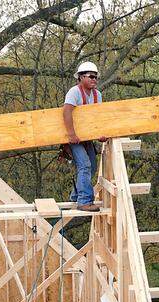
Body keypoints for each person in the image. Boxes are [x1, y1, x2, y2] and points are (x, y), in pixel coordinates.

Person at [63, 61, 108, 213]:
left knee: (92, 166)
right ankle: (84, 201)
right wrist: (71, 134)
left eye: (96, 77)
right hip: (73, 137)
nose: (94, 79)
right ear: (81, 77)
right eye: (91, 76)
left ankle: (76, 195)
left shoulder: (97, 95)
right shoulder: (74, 92)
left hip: (86, 137)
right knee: (84, 165)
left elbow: (96, 117)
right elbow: (67, 112)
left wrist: (100, 133)